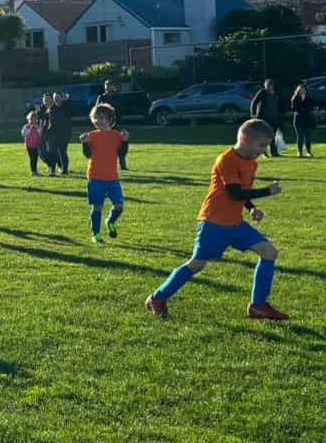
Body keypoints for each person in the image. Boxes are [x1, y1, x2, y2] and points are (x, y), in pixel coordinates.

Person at [146, 120, 287, 321]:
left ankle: (258, 306)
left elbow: (242, 193)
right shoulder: (226, 160)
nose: (264, 150)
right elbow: (233, 193)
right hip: (214, 223)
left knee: (269, 252)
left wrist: (252, 207)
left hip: (235, 224)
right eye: (261, 145)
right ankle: (157, 298)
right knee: (197, 264)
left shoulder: (251, 162)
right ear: (245, 139)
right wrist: (267, 191)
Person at [80, 104, 127, 244]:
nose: (97, 121)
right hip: (95, 177)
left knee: (119, 206)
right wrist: (84, 143)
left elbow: (122, 154)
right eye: (95, 118)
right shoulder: (91, 136)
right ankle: (96, 234)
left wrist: (125, 141)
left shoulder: (117, 135)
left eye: (101, 118)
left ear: (110, 119)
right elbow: (88, 155)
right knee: (97, 207)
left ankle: (110, 221)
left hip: (112, 178)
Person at [94, 80, 131, 170]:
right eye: (106, 85)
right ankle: (105, 164)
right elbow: (97, 109)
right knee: (104, 145)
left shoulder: (118, 96)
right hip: (105, 124)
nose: (107, 87)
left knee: (120, 143)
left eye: (109, 85)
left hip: (117, 123)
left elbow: (121, 109)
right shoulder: (102, 97)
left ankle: (122, 165)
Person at [251, 79, 282, 157]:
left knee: (273, 136)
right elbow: (254, 102)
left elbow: (280, 104)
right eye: (267, 85)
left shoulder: (276, 93)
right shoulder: (262, 92)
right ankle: (264, 152)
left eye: (270, 85)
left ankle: (274, 152)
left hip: (274, 117)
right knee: (265, 136)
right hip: (264, 118)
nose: (269, 87)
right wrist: (253, 114)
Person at [44, 92, 72, 176]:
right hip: (53, 133)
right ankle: (52, 170)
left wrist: (66, 100)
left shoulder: (66, 106)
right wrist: (46, 132)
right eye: (55, 97)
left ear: (61, 98)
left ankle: (65, 170)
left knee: (62, 151)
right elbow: (48, 122)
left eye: (58, 97)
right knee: (53, 152)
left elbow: (71, 107)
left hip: (64, 133)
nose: (56, 99)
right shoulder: (51, 108)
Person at [289, 84, 315, 157]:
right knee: (300, 137)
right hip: (298, 120)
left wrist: (303, 104)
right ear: (298, 91)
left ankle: (309, 152)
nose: (302, 91)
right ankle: (300, 152)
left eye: (303, 89)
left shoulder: (309, 98)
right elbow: (294, 109)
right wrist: (301, 103)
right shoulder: (295, 99)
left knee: (308, 137)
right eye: (300, 90)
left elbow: (310, 108)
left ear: (306, 90)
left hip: (308, 120)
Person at [22, 110, 43, 176]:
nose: (33, 121)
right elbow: (24, 134)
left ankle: (35, 170)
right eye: (31, 119)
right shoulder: (26, 126)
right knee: (32, 158)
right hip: (29, 145)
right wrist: (30, 128)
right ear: (28, 119)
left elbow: (41, 134)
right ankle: (33, 171)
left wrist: (37, 129)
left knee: (36, 158)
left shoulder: (38, 126)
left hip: (37, 145)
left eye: (34, 119)